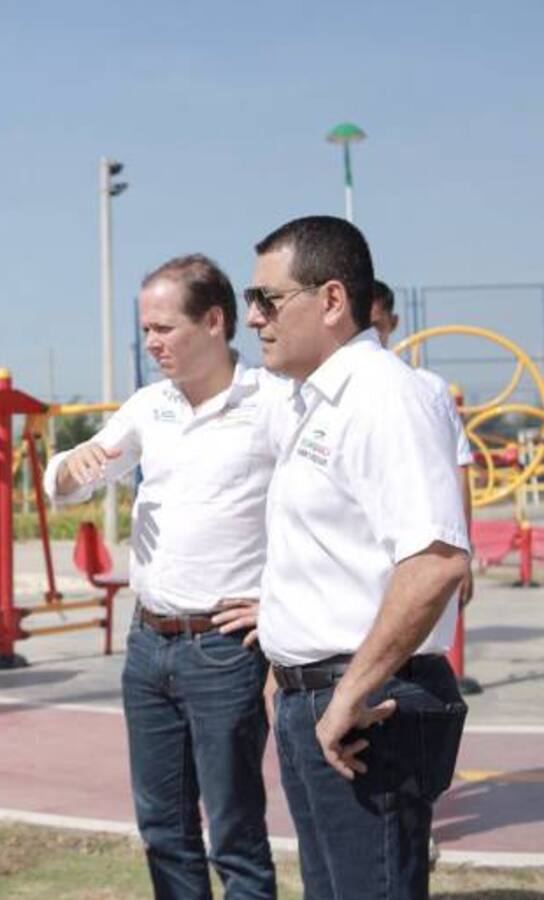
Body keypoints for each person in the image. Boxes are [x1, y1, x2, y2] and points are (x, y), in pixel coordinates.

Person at [246, 216, 470, 899]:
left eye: (268, 299)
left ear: (333, 301)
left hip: (370, 709)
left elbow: (435, 561)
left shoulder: (382, 398)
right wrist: (287, 672)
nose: (254, 318)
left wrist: (345, 691)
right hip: (319, 697)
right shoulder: (315, 403)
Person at [45, 254, 277, 899]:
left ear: (213, 321)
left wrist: (277, 601)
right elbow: (65, 481)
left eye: (164, 328)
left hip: (224, 651)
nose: (151, 343)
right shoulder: (150, 407)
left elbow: (323, 507)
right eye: (146, 328)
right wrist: (74, 466)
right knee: (162, 829)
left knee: (234, 832)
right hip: (148, 647)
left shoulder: (273, 402)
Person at [371, 280, 475, 606]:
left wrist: (463, 553)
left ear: (393, 324)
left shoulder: (428, 390)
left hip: (411, 562)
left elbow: (458, 473)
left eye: (377, 326)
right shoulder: (313, 395)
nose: (370, 337)